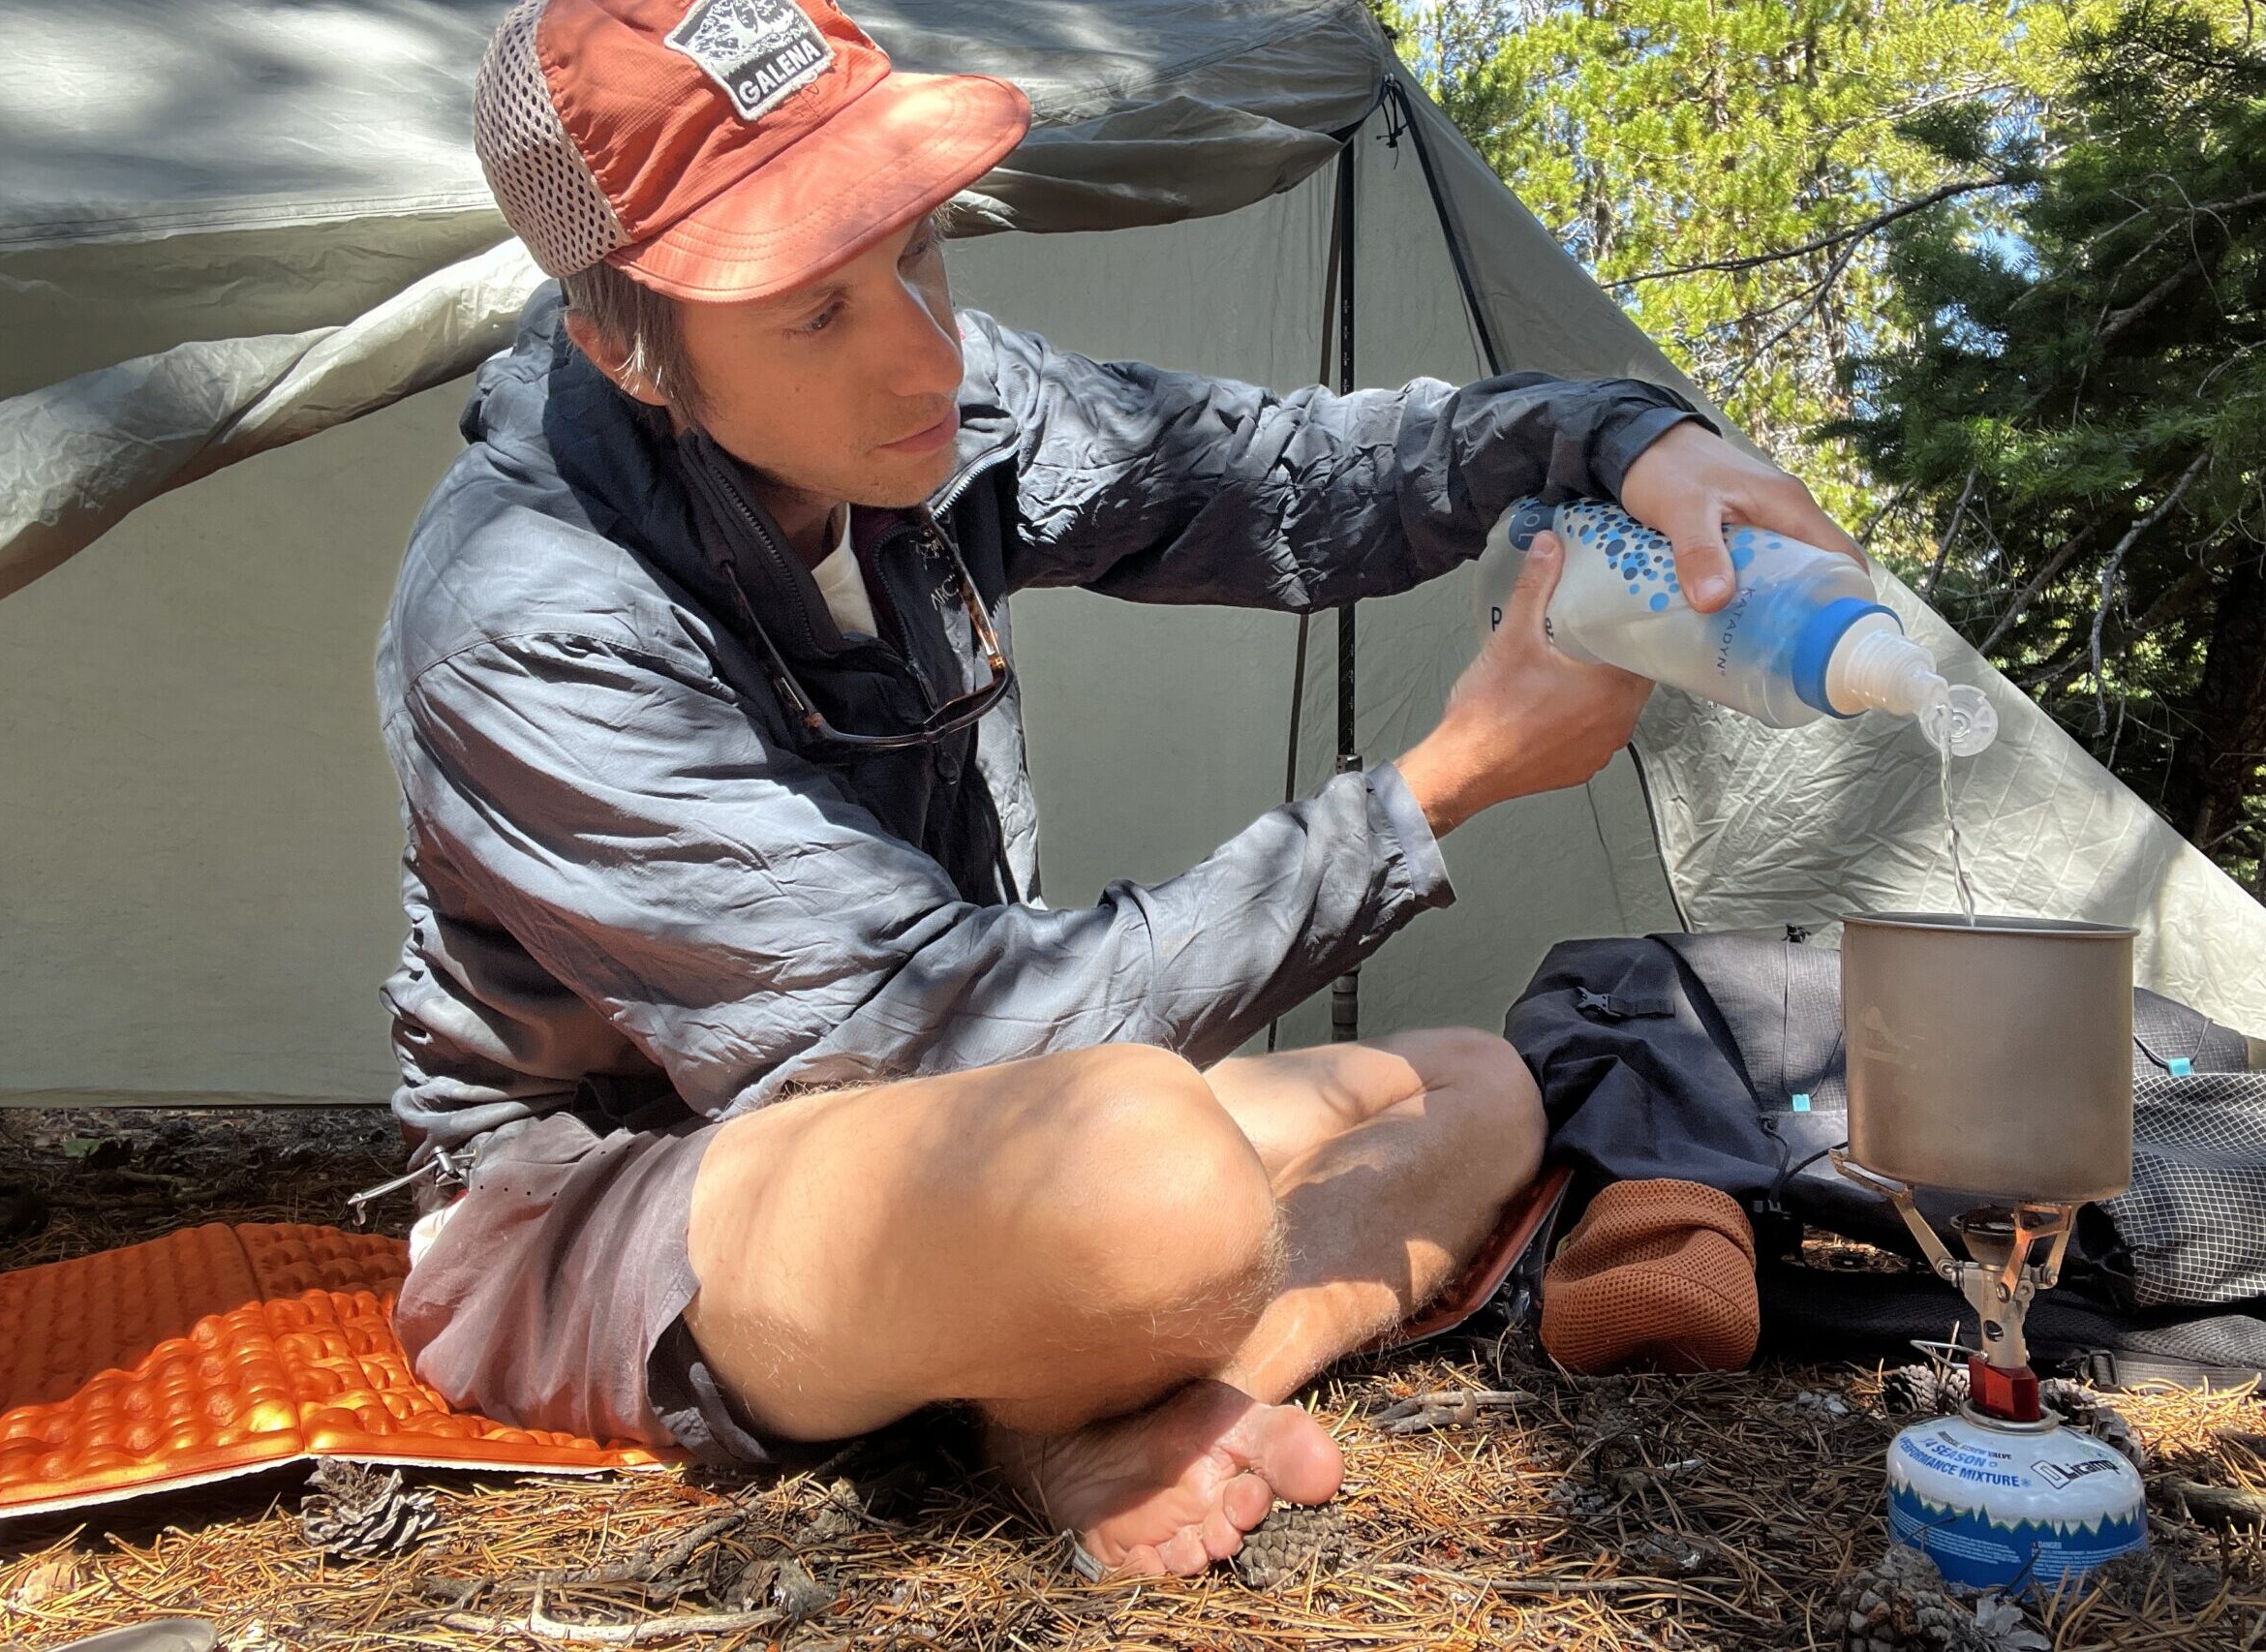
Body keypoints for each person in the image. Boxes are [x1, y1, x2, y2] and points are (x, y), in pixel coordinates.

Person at [373, 0, 1863, 1578]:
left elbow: (1289, 473)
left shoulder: (939, 407)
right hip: (634, 1204)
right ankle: (1084, 1350)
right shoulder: (525, 614)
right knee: (1144, 1174)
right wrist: (1435, 790)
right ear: (625, 345)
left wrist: (1623, 444)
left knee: (1481, 1091)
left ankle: (1106, 1401)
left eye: (920, 248)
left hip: (981, 1131)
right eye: (817, 312)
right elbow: (946, 1028)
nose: (921, 347)